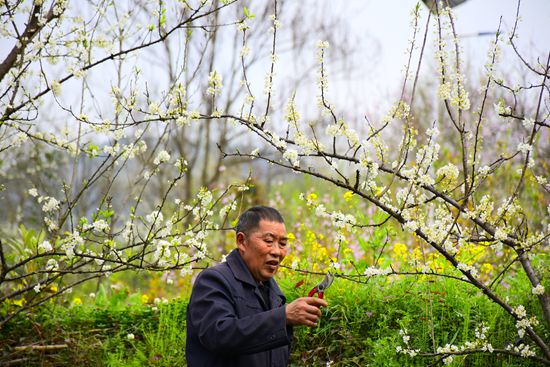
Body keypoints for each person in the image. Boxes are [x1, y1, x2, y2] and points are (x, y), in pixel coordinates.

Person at [186, 206, 328, 366]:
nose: (277, 251)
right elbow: (219, 335)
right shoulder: (214, 280)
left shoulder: (275, 293)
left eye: (282, 244)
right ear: (242, 241)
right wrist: (282, 317)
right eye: (268, 241)